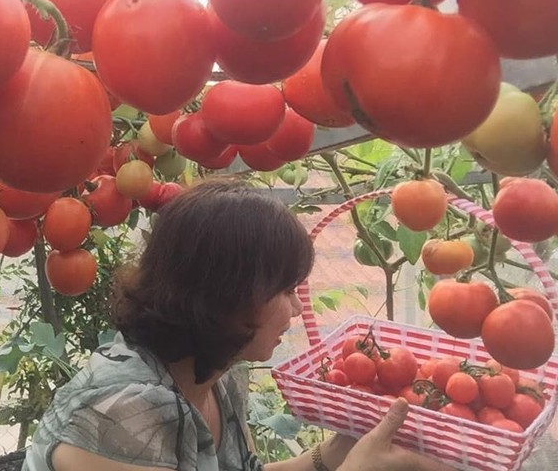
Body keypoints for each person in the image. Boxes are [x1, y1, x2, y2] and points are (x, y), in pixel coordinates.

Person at [23, 179, 453, 471]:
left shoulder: (214, 374)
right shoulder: (125, 414)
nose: (297, 311)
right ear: (228, 295)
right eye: (285, 293)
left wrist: (333, 455)